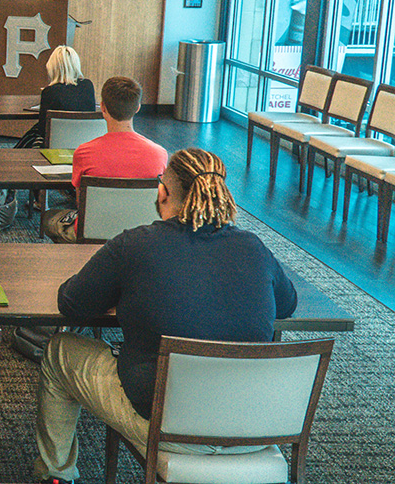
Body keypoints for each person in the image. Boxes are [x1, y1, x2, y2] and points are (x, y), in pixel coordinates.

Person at [33, 148, 298, 484]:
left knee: (59, 350)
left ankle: (56, 475)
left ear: (162, 192)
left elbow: (71, 303)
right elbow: (287, 305)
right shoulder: (254, 247)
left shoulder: (136, 245)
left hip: (169, 425)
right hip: (254, 424)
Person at [42, 76, 168, 243]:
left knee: (49, 218)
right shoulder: (160, 154)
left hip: (92, 233)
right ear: (137, 107)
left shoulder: (84, 152)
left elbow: (81, 204)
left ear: (102, 107)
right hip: (142, 236)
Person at [15, 46, 96, 149]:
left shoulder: (50, 92)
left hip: (56, 144)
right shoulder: (88, 86)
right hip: (83, 142)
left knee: (31, 135)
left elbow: (43, 129)